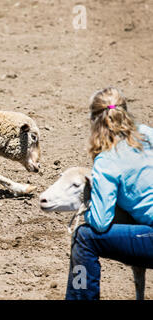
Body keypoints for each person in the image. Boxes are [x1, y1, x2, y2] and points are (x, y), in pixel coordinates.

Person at [65, 87, 153, 300]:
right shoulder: (148, 133)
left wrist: (91, 198)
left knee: (83, 237)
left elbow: (101, 222)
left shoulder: (107, 160)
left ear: (93, 120)